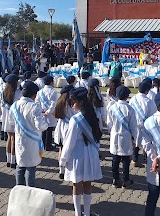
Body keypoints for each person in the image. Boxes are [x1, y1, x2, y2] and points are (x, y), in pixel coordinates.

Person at [59, 87, 102, 216]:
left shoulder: (75, 120)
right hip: (91, 152)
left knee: (76, 184)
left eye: (73, 102)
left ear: (80, 103)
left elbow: (69, 143)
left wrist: (63, 160)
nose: (72, 105)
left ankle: (78, 213)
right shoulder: (93, 114)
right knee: (88, 183)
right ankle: (87, 213)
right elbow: (98, 135)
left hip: (78, 154)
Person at [11, 81, 49, 187]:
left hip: (19, 139)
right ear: (34, 95)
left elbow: (11, 122)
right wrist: (45, 122)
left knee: (20, 165)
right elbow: (40, 126)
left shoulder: (15, 105)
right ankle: (29, 190)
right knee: (31, 167)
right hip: (32, 141)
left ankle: (19, 189)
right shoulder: (34, 107)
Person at [107, 86, 138, 188]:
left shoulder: (112, 108)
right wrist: (134, 139)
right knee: (125, 159)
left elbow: (109, 124)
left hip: (115, 135)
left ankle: (115, 180)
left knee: (115, 159)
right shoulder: (130, 109)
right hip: (126, 136)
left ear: (116, 95)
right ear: (127, 96)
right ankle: (126, 180)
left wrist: (112, 132)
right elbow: (133, 126)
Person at [129, 81, 157, 167]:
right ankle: (147, 159)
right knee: (147, 142)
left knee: (136, 143)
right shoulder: (149, 101)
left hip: (134, 124)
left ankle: (134, 160)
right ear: (147, 91)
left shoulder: (133, 99)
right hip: (145, 125)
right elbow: (153, 114)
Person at [54, 84, 76, 179]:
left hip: (61, 127)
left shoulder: (60, 103)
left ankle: (61, 170)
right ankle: (68, 169)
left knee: (61, 148)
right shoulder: (71, 104)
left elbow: (56, 115)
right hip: (69, 127)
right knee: (69, 149)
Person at [1, 74, 21, 168]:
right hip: (15, 118)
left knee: (9, 139)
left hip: (6, 118)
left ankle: (8, 160)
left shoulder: (4, 92)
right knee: (14, 139)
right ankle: (13, 161)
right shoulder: (18, 93)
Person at [36, 75, 58, 151]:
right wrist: (48, 112)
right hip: (50, 113)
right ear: (51, 82)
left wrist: (41, 111)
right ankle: (48, 145)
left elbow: (37, 102)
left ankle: (43, 144)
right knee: (49, 129)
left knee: (43, 129)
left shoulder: (40, 92)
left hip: (42, 112)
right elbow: (53, 104)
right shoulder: (53, 92)